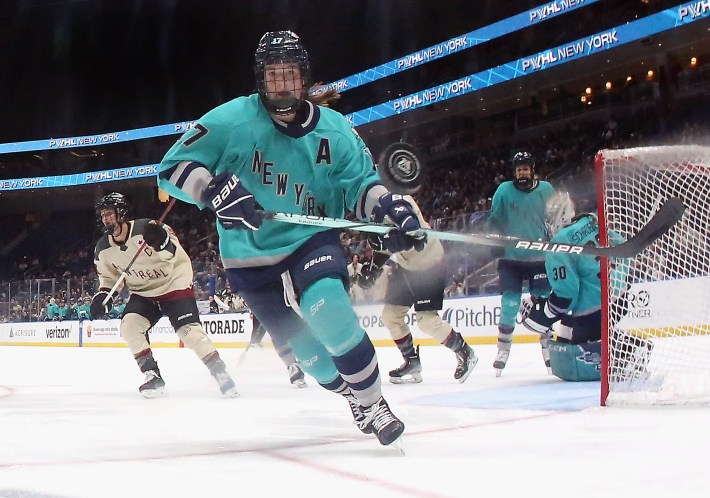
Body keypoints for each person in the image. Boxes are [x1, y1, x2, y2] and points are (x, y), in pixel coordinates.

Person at [158, 30, 422, 446]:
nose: (282, 85)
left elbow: (360, 185)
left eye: (290, 75)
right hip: (249, 258)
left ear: (305, 78)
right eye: (273, 75)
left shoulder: (335, 130)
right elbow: (171, 169)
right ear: (260, 79)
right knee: (314, 361)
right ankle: (352, 393)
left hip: (311, 239)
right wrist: (211, 190)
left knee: (328, 309)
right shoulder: (232, 120)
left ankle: (374, 403)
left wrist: (388, 208)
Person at [91, 192, 239, 399]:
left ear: (121, 213)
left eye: (109, 214)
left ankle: (220, 372)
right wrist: (103, 297)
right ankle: (152, 375)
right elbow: (109, 279)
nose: (105, 219)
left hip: (174, 284)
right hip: (144, 293)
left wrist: (161, 242)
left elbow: (173, 253)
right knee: (129, 326)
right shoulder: (103, 248)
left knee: (189, 332)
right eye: (103, 215)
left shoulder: (149, 228)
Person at [520, 192, 652, 381]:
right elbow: (623, 247)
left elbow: (567, 294)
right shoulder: (592, 222)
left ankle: (627, 349)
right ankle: (618, 345)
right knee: (565, 338)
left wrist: (546, 312)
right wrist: (619, 283)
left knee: (578, 355)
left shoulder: (559, 243)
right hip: (619, 301)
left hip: (593, 312)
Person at [368, 195, 478, 384]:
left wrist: (412, 235)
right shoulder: (371, 210)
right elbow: (385, 243)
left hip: (430, 266)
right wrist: (372, 268)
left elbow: (412, 226)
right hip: (405, 267)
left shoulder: (398, 198)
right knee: (390, 317)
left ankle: (465, 352)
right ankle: (411, 361)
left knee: (427, 322)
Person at [486, 151, 555, 376]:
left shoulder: (546, 189)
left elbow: (556, 219)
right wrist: (493, 237)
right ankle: (502, 350)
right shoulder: (504, 190)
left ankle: (548, 348)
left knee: (544, 305)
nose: (522, 172)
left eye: (525, 168)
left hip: (539, 258)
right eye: (518, 169)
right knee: (509, 305)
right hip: (511, 259)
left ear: (532, 169)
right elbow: (494, 220)